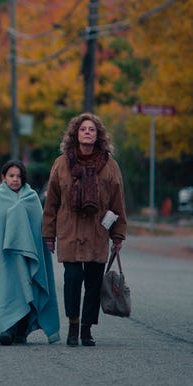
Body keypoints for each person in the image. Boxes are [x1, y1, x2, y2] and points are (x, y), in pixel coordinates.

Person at [42, 113, 128, 347]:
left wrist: (118, 234)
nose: (87, 132)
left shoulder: (110, 166)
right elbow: (52, 202)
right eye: (83, 129)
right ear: (75, 135)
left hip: (97, 232)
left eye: (92, 129)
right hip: (69, 230)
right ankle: (73, 325)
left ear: (98, 135)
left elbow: (117, 203)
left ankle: (87, 329)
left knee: (93, 282)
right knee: (72, 279)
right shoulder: (61, 163)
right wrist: (48, 234)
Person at [0, 160, 60, 345]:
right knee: (8, 289)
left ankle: (21, 330)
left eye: (18, 176)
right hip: (6, 258)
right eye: (11, 176)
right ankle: (6, 329)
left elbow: (37, 226)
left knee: (29, 287)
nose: (15, 179)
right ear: (4, 178)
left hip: (28, 256)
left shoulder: (31, 198)